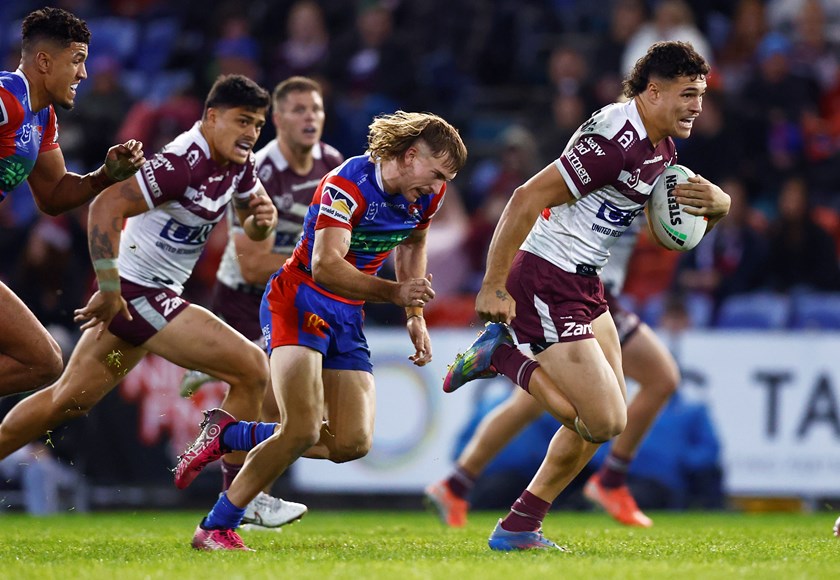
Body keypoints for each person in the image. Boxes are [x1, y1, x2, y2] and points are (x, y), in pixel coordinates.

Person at [440, 41, 729, 551]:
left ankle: (519, 526)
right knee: (606, 419)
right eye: (687, 94)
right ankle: (502, 357)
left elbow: (667, 233)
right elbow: (526, 196)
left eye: (701, 95)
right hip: (546, 276)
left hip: (587, 283)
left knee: (601, 423)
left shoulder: (662, 147)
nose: (696, 107)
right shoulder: (615, 139)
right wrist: (493, 283)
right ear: (653, 91)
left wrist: (718, 205)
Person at [0, 74, 307, 531]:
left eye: (258, 126)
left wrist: (262, 222)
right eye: (242, 121)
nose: (250, 134)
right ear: (211, 117)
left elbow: (253, 226)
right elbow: (106, 207)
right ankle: (242, 496)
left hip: (146, 297)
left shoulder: (239, 164)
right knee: (252, 368)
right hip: (137, 293)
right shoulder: (181, 162)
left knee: (67, 401)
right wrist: (107, 288)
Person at [176, 111, 468, 551]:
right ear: (409, 156)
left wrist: (414, 314)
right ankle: (215, 527)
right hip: (300, 300)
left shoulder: (427, 193)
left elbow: (413, 242)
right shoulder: (346, 184)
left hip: (347, 315)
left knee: (352, 442)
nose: (439, 186)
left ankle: (229, 434)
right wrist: (395, 294)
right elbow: (326, 266)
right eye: (436, 173)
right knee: (302, 429)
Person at [426, 222, 681, 528]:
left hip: (589, 294)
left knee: (535, 405)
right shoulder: (606, 180)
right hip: (573, 293)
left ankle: (458, 485)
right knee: (629, 395)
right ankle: (606, 482)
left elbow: (665, 233)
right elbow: (530, 206)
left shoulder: (641, 183)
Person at [177, 76, 343, 521]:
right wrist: (319, 264)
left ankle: (214, 373)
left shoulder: (333, 166)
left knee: (304, 410)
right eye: (299, 110)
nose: (311, 118)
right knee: (272, 396)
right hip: (245, 296)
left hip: (295, 296)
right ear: (280, 120)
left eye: (317, 109)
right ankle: (252, 498)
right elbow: (251, 264)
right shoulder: (260, 170)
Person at [0, 7, 145, 401]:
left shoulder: (41, 116)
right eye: (77, 61)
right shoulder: (6, 97)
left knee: (42, 361)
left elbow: (53, 196)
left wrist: (104, 176)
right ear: (45, 61)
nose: (83, 74)